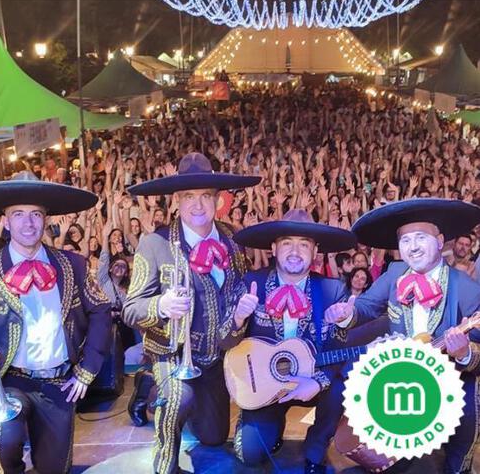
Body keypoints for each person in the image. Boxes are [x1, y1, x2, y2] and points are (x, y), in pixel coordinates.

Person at [0, 171, 111, 474]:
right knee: (3, 439)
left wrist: (87, 370)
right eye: (18, 214)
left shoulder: (74, 265)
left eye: (35, 214)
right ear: (5, 221)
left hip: (60, 382)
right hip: (8, 381)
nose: (28, 223)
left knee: (55, 468)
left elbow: (102, 312)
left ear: (45, 219)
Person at [122, 152, 261, 474]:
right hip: (172, 354)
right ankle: (165, 463)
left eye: (205, 196)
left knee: (214, 437)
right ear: (177, 200)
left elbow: (238, 292)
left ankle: (162, 390)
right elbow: (130, 309)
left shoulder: (232, 239)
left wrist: (241, 314)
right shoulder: (154, 243)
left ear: (217, 200)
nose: (198, 205)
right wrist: (161, 305)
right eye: (188, 196)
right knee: (177, 401)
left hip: (215, 358)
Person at [325, 198, 480, 474]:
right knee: (380, 459)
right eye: (405, 240)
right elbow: (366, 306)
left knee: (464, 424)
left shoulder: (466, 288)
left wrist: (464, 352)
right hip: (402, 380)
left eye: (421, 237)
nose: (413, 246)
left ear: (440, 241)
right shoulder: (395, 272)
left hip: (450, 381)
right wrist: (346, 314)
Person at [228, 209, 357, 473]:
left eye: (304, 244)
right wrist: (238, 319)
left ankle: (315, 448)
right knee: (250, 454)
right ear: (274, 248)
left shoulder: (332, 289)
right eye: (287, 243)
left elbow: (338, 347)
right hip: (266, 385)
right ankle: (269, 425)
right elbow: (225, 345)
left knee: (338, 388)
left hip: (311, 382)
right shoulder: (252, 283)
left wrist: (317, 382)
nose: (295, 251)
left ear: (315, 251)